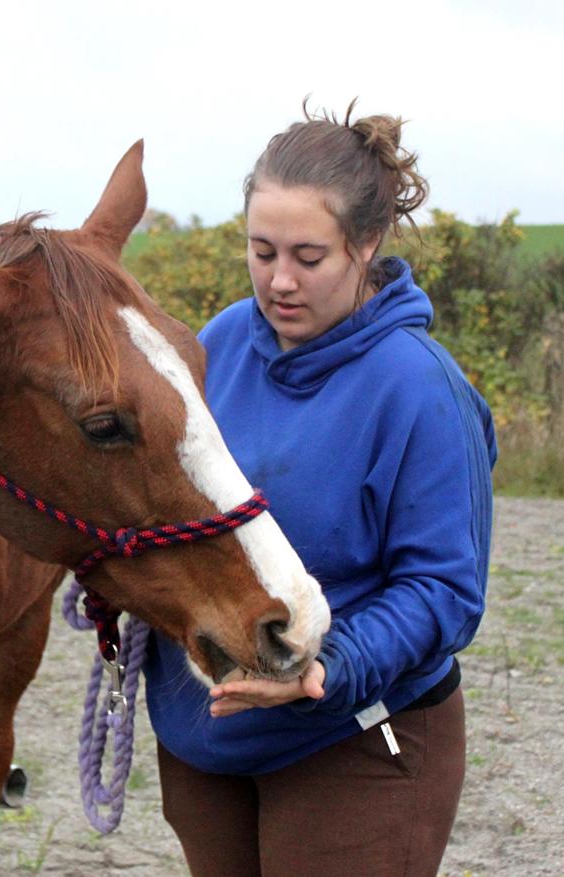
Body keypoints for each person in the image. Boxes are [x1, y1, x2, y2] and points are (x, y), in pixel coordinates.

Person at [144, 103, 496, 876]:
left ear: (365, 244)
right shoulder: (221, 342)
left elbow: (444, 590)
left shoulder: (420, 390)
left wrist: (326, 667)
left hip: (354, 738)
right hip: (206, 737)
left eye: (308, 255)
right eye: (261, 250)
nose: (279, 280)